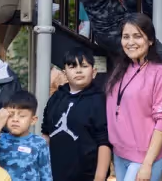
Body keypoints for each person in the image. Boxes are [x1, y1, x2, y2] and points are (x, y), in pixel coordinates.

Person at [105, 14, 162, 181]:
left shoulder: (161, 73)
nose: (131, 42)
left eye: (137, 36)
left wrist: (147, 164)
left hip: (145, 158)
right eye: (126, 37)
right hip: (120, 154)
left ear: (150, 40)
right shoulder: (120, 70)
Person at [42, 48, 111, 181]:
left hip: (86, 175)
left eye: (84, 66)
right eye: (72, 66)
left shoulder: (99, 100)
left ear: (94, 71)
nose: (78, 71)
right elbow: (46, 133)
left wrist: (100, 177)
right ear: (64, 73)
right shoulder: (56, 97)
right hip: (54, 174)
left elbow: (104, 142)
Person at [0, 91, 53, 181]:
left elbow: (46, 174)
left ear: (33, 120)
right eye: (10, 115)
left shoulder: (39, 143)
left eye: (22, 116)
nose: (15, 119)